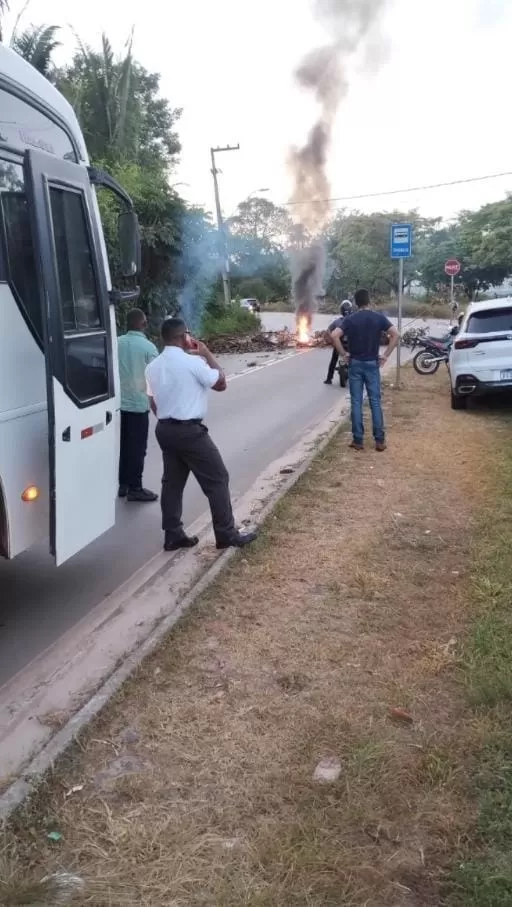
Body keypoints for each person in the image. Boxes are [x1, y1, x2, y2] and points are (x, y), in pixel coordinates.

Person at [145, 318, 258, 552]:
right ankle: (226, 534)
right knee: (218, 479)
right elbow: (221, 384)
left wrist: (169, 419)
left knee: (172, 484)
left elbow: (152, 401)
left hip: (165, 429)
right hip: (189, 432)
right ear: (183, 337)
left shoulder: (152, 367)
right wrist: (206, 353)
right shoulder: (193, 362)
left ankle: (173, 534)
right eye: (188, 333)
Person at [331, 288, 400, 452]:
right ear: (369, 301)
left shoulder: (350, 319)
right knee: (375, 401)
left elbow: (334, 335)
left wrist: (343, 353)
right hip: (372, 363)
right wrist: (385, 355)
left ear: (356, 302)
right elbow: (396, 334)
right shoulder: (378, 318)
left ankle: (358, 440)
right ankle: (379, 440)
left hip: (355, 363)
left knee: (356, 401)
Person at [118, 308, 159, 502]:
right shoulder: (148, 347)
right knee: (137, 448)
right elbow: (156, 378)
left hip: (117, 406)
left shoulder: (116, 342)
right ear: (143, 324)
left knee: (122, 446)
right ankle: (136, 487)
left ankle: (123, 484)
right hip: (138, 405)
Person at [324, 299, 353, 385]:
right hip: (351, 346)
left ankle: (329, 379)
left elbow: (327, 331)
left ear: (341, 310)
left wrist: (331, 341)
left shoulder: (337, 321)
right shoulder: (353, 320)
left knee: (333, 360)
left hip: (339, 346)